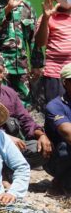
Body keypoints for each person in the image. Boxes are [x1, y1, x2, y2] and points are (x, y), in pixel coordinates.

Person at [0, 53, 51, 168]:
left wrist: (41, 134)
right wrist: (4, 138)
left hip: (10, 145)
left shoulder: (9, 93)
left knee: (39, 148)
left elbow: (25, 119)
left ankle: (10, 171)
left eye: (1, 71)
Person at [35, 0, 71, 107]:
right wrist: (46, 18)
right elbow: (40, 43)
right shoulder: (47, 17)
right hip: (56, 75)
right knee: (57, 112)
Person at [45, 63, 71, 193]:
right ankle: (59, 180)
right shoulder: (55, 106)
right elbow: (68, 133)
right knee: (65, 147)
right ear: (65, 83)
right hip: (59, 156)